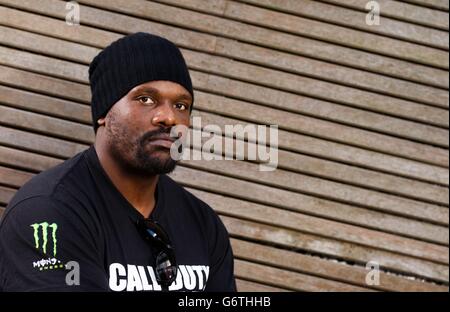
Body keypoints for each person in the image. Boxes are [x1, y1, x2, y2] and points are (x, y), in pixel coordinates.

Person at [0, 32, 236, 292]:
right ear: (104, 112)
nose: (169, 118)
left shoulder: (202, 224)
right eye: (146, 99)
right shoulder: (46, 213)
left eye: (181, 105)